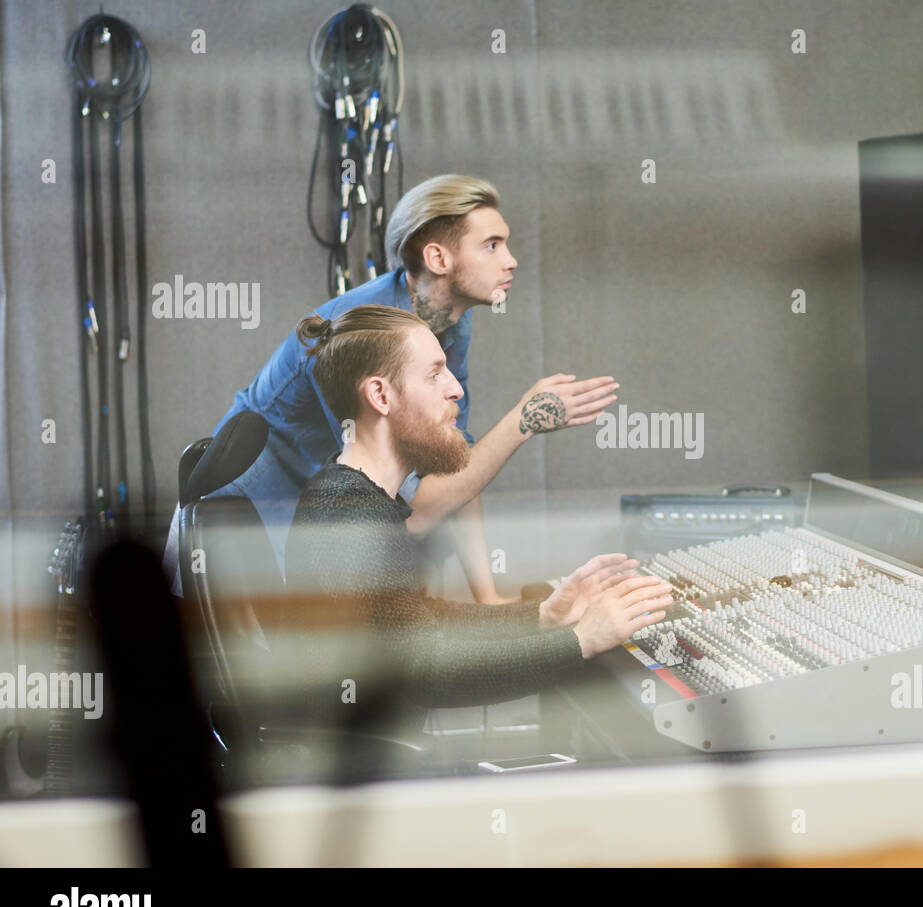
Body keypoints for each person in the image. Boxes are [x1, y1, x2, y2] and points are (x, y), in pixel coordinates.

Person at [163, 173, 618, 600]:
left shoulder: (451, 323)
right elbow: (413, 513)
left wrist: (489, 598)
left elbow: (456, 459)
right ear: (439, 258)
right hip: (239, 529)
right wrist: (522, 422)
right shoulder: (371, 333)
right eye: (492, 245)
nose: (511, 260)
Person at [282, 305, 672, 722]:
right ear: (381, 396)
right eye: (434, 374)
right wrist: (582, 640)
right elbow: (427, 672)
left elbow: (421, 620)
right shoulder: (350, 511)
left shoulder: (358, 497)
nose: (456, 389)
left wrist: (543, 615)